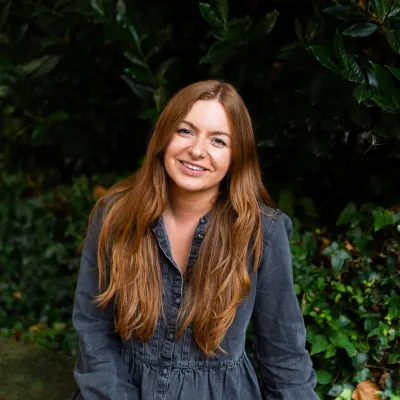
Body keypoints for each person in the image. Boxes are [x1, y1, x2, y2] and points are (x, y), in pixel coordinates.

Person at [72, 80, 319, 399]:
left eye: (218, 140)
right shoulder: (115, 215)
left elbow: (284, 355)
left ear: (236, 156)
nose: (198, 150)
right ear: (163, 137)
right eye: (185, 131)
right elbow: (94, 330)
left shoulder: (262, 233)